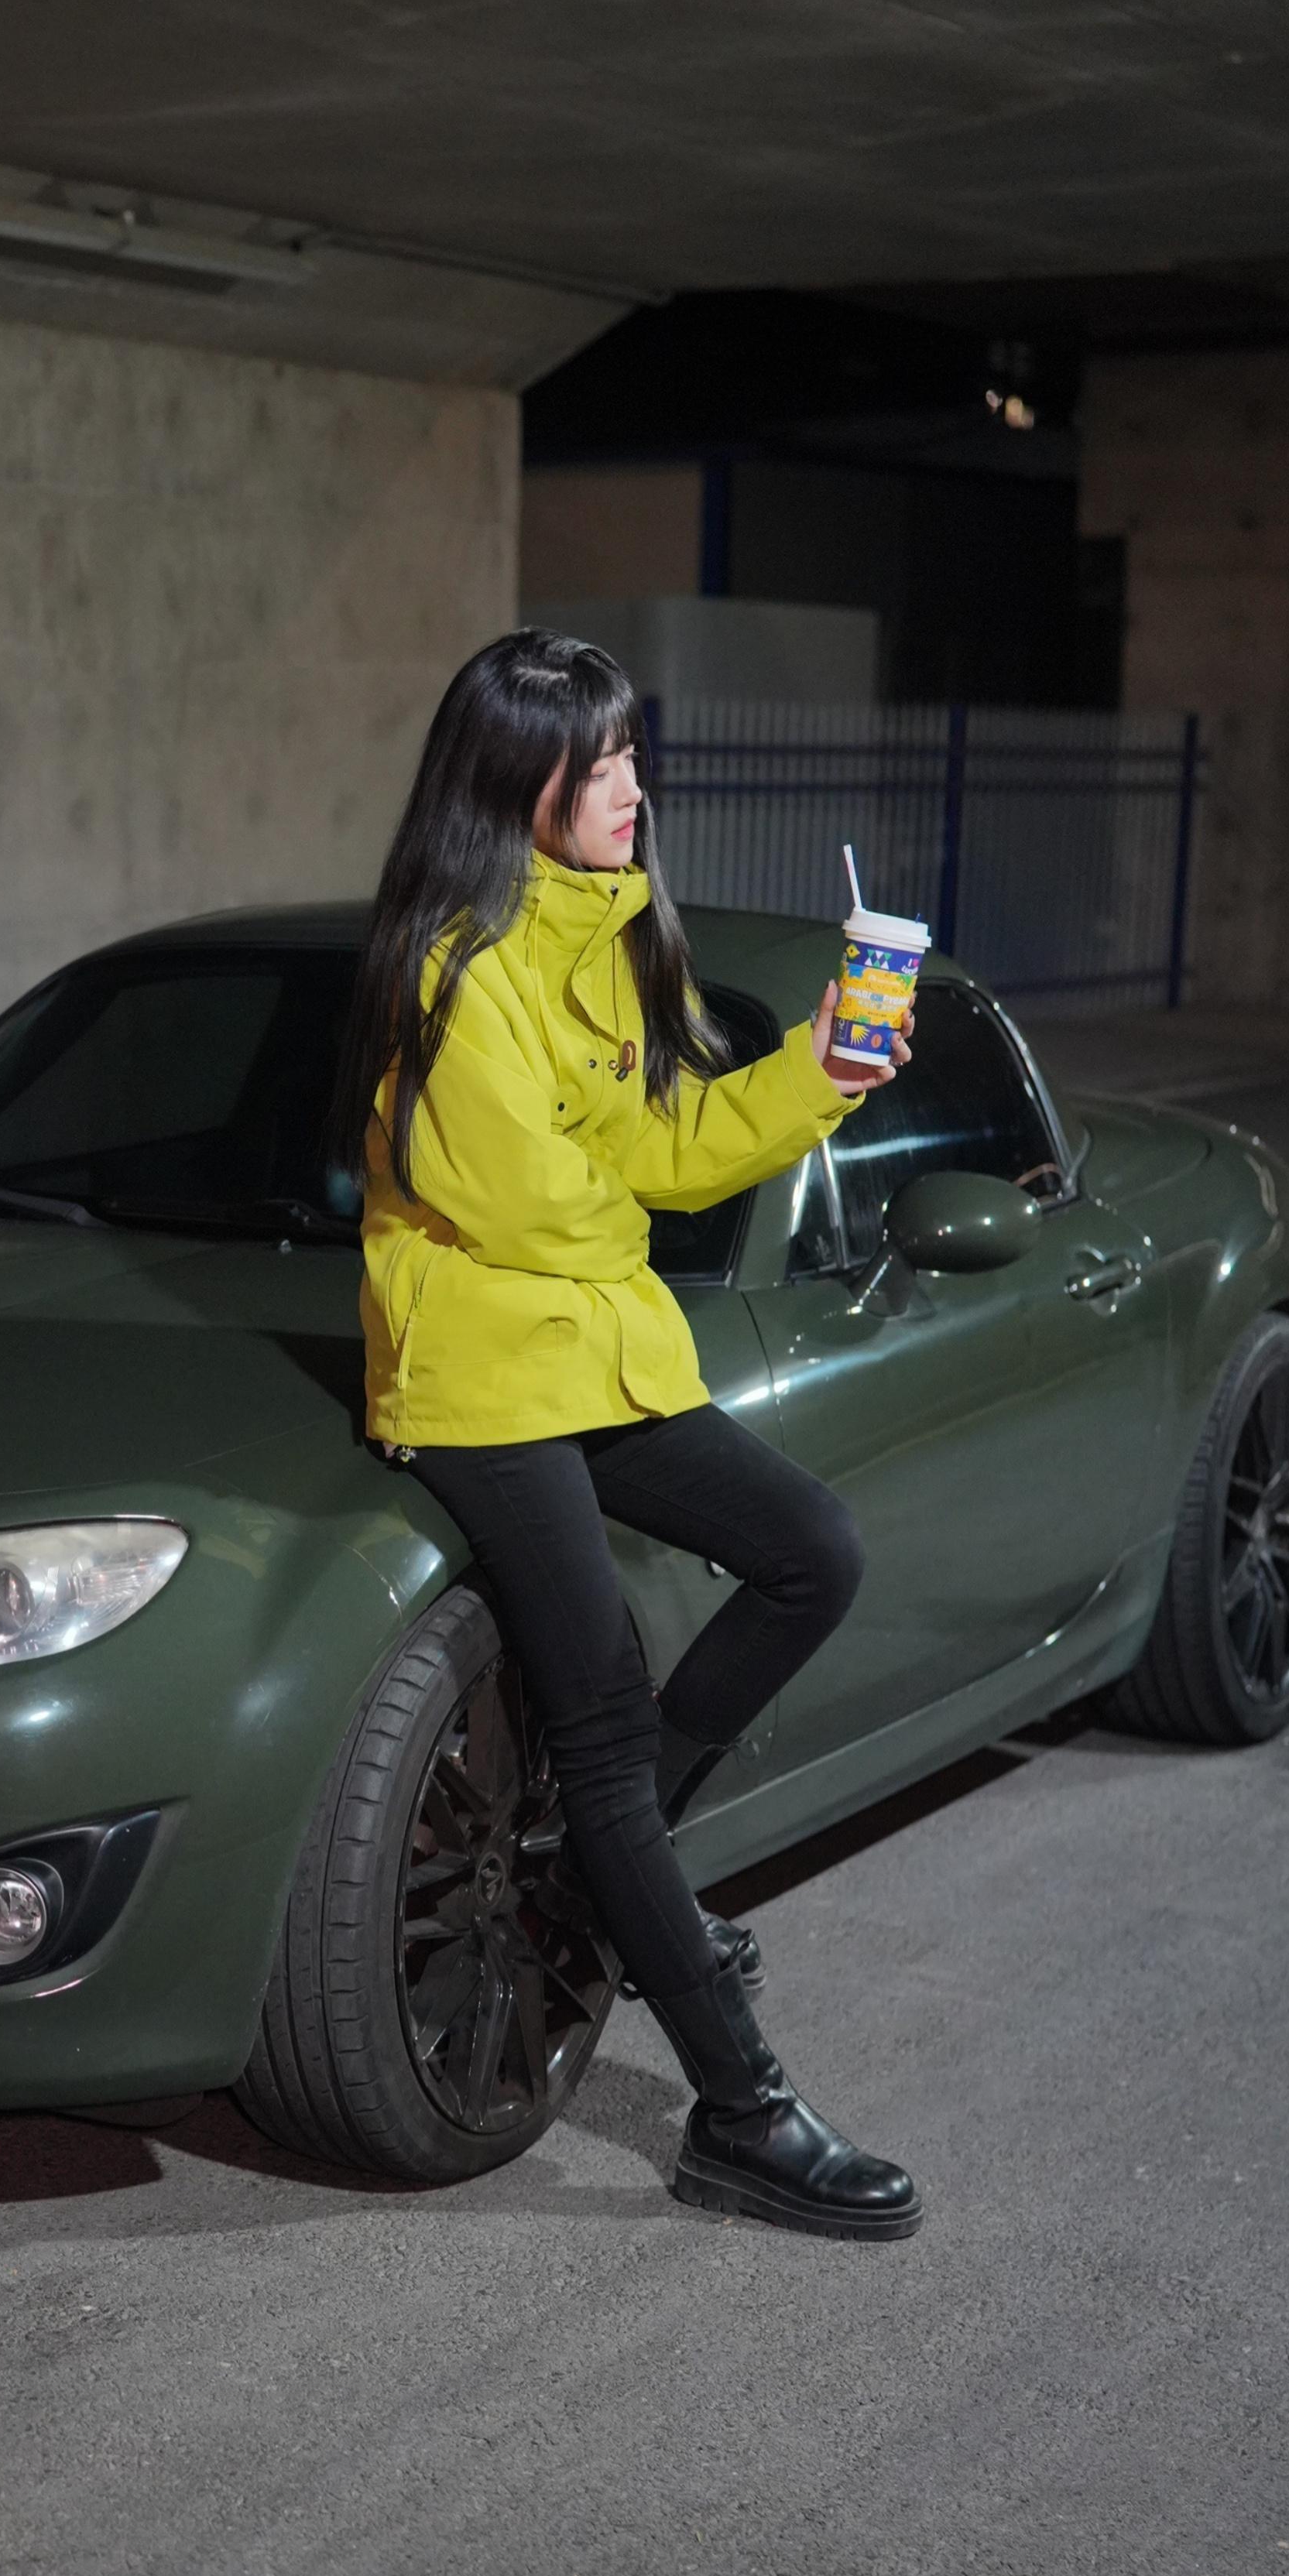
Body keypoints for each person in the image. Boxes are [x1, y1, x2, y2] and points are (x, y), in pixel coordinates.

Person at [333, 630, 922, 2239]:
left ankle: (613, 1862)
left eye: (629, 757)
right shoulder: (451, 969)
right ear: (516, 785)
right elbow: (534, 1204)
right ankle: (742, 2106)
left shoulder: (601, 933)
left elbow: (660, 1150)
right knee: (596, 1710)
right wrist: (625, 1193)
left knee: (811, 1550)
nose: (630, 789)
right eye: (599, 765)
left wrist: (821, 1069)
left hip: (593, 1351)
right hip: (480, 1373)